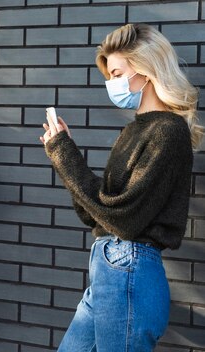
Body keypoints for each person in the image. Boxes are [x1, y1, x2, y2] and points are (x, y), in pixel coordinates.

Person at [40, 23, 200, 351]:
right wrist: (63, 154)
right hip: (108, 270)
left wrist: (66, 156)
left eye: (116, 73)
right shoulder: (134, 131)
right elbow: (96, 214)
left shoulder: (168, 132)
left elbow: (124, 219)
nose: (111, 84)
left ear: (145, 70)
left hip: (128, 269)